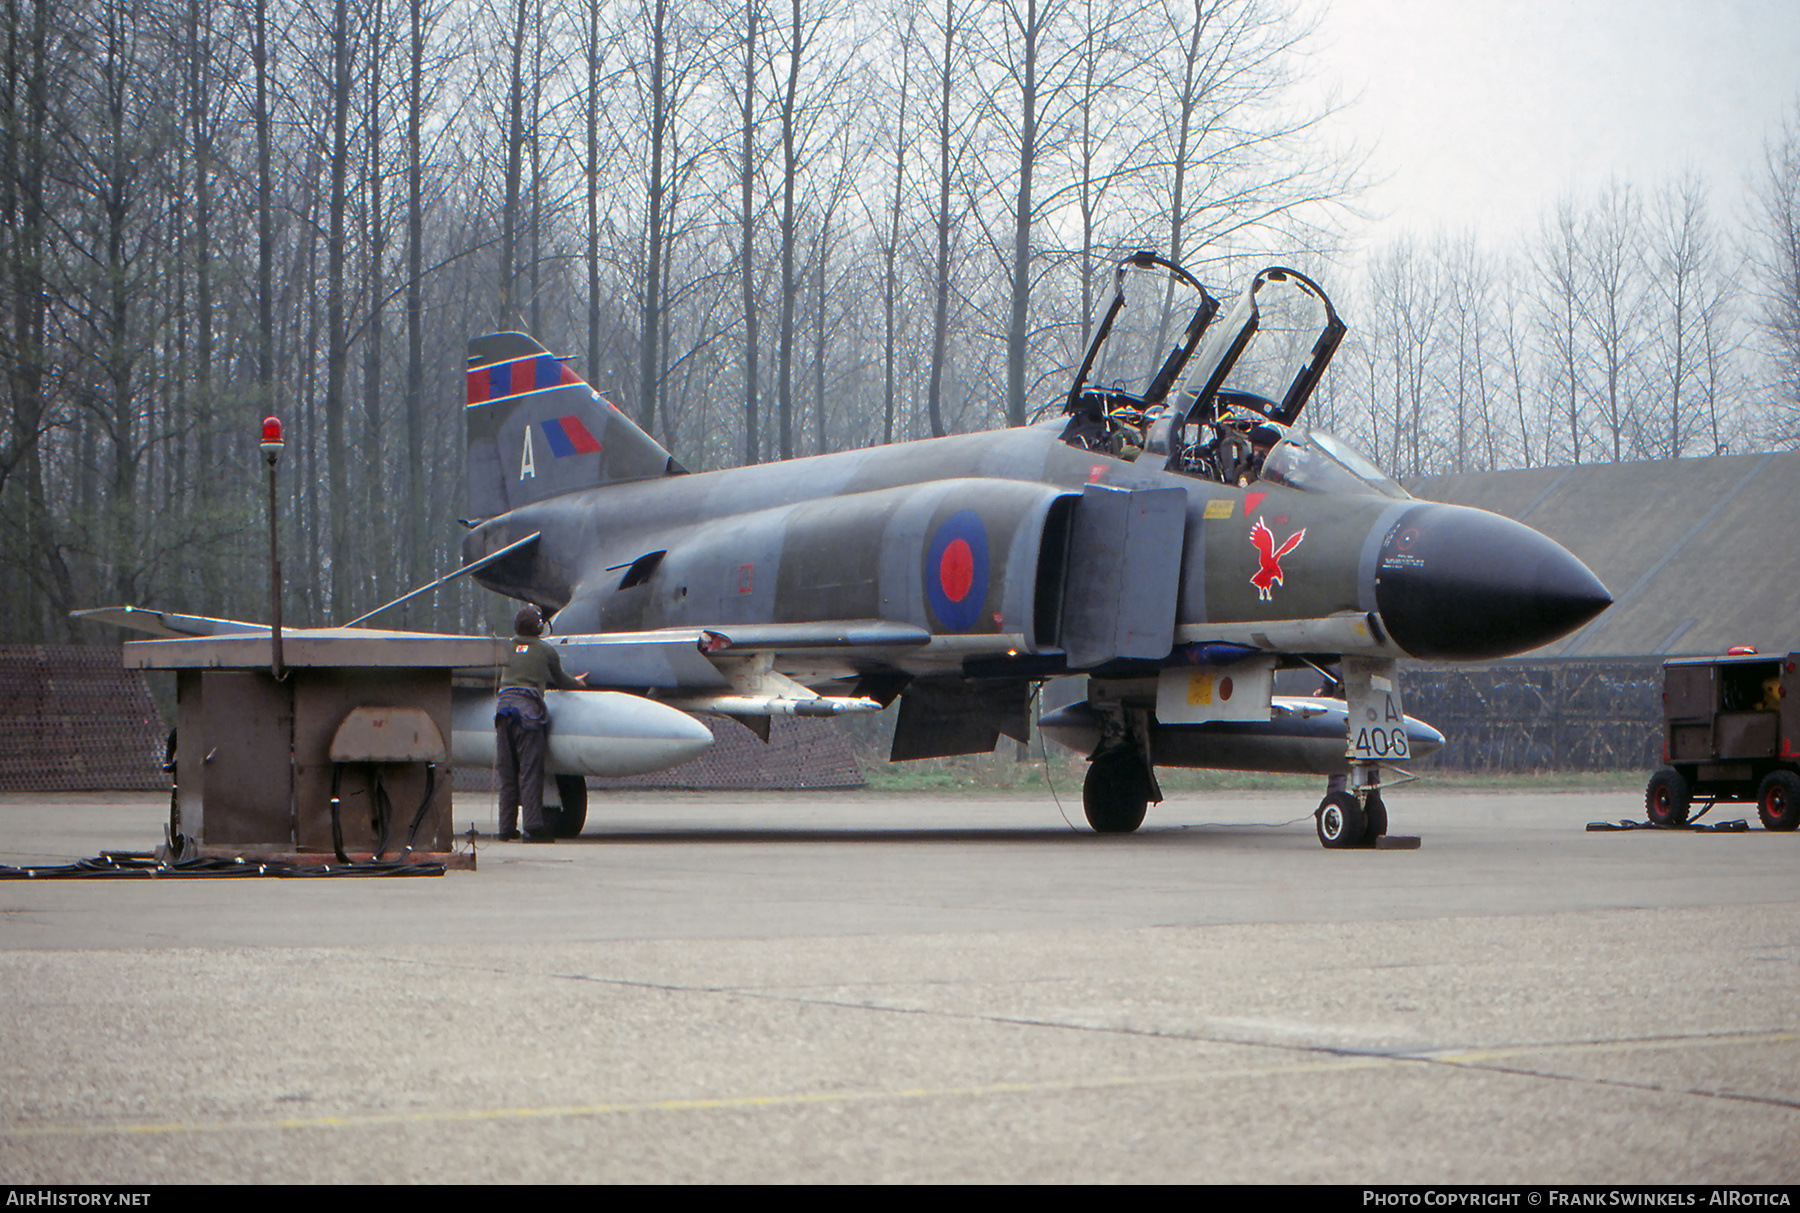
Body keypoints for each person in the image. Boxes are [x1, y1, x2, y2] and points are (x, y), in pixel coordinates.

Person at [495, 604, 586, 842]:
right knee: (530, 772)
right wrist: (577, 683)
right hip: (528, 716)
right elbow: (562, 680)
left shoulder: (506, 647)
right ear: (538, 627)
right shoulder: (546, 651)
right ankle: (533, 828)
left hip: (503, 712)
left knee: (507, 773)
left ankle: (505, 828)